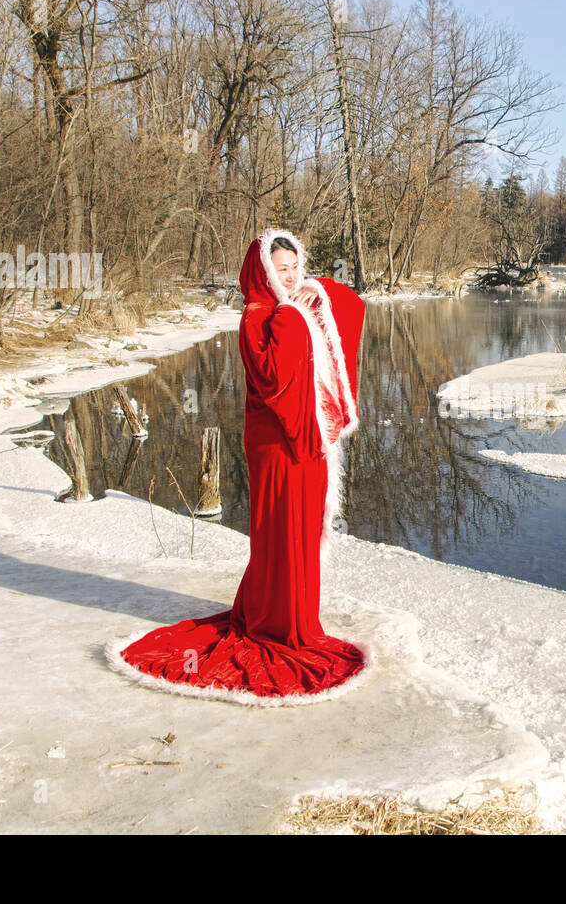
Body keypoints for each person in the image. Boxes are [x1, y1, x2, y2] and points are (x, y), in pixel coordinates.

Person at [106, 228, 371, 705]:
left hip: (305, 439)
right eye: (280, 270)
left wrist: (317, 291)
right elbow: (272, 381)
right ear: (262, 273)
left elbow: (351, 304)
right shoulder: (258, 316)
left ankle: (289, 611)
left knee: (303, 525)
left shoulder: (294, 304)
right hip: (279, 442)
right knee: (281, 526)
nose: (290, 278)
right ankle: (279, 622)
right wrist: (292, 319)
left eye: (294, 268)